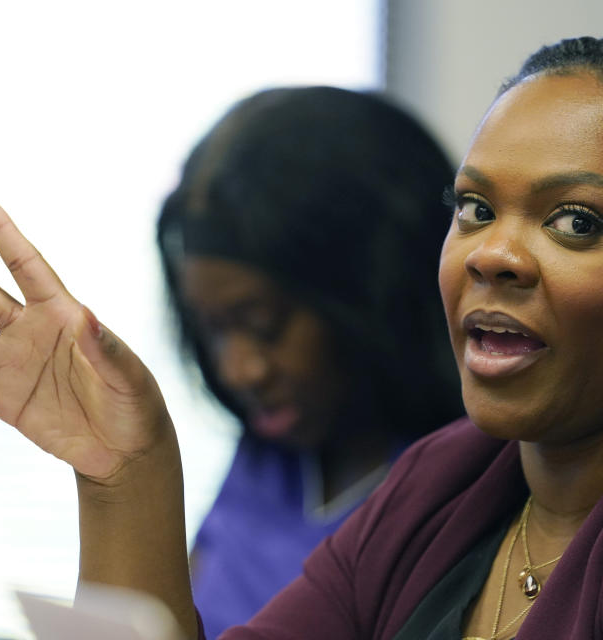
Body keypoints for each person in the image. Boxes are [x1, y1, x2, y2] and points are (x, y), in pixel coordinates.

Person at [0, 36, 603, 639]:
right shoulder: (442, 481)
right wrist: (127, 475)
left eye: (576, 223)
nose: (497, 255)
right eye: (476, 208)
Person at [155, 86, 462, 637]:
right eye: (211, 330)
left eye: (262, 325)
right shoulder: (268, 455)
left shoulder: (464, 484)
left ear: (371, 294)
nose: (238, 370)